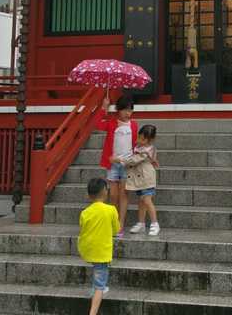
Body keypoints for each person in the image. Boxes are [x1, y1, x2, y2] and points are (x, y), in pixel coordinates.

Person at [95, 94, 137, 236]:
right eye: (125, 110)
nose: (128, 113)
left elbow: (136, 145)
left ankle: (120, 224)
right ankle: (113, 221)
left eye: (130, 110)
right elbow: (97, 124)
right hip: (113, 164)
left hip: (127, 164)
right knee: (113, 195)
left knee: (123, 194)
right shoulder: (112, 123)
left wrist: (133, 160)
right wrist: (104, 108)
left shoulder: (134, 125)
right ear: (118, 110)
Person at [77, 177, 120, 315]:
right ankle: (93, 311)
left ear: (88, 195)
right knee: (100, 286)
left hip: (88, 249)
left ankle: (97, 287)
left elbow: (83, 229)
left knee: (98, 272)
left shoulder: (85, 212)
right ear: (105, 192)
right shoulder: (111, 210)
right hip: (102, 252)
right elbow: (116, 230)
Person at [113, 124, 160, 236]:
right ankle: (141, 223)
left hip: (146, 179)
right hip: (140, 179)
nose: (139, 140)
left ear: (150, 140)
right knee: (141, 202)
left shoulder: (147, 150)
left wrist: (120, 160)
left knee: (147, 200)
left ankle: (155, 223)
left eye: (143, 139)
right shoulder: (140, 147)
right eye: (139, 137)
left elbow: (134, 160)